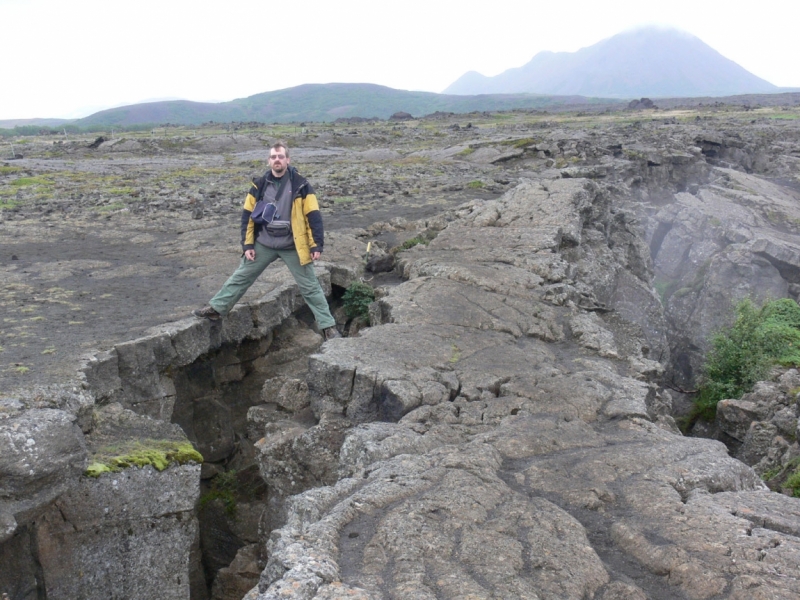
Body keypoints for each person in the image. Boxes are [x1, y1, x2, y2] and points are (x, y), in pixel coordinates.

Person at [193, 141, 340, 340]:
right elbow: (247, 216)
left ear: (288, 159)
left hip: (293, 246)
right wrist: (247, 245)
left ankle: (328, 327)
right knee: (242, 275)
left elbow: (314, 216)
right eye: (273, 157)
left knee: (310, 286)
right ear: (269, 160)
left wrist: (316, 245)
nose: (277, 160)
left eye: (280, 156)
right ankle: (217, 309)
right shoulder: (259, 185)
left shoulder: (301, 185)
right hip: (264, 242)